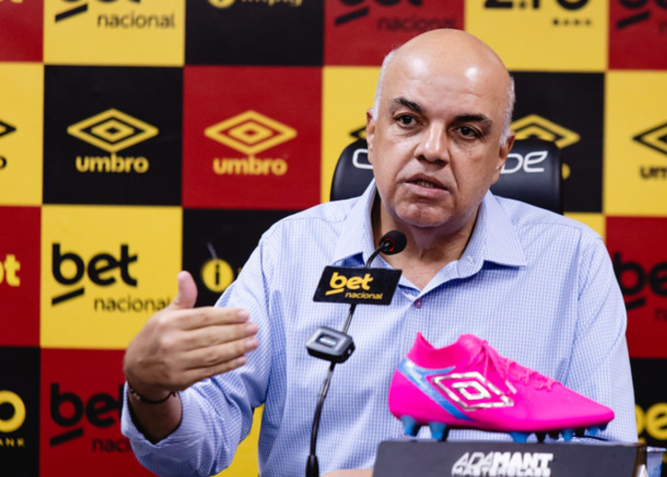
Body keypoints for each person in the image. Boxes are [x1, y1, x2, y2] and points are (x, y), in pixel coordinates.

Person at [121, 29, 637, 477]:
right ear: (372, 132)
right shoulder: (292, 251)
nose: (432, 149)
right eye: (408, 120)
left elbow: (608, 461)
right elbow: (193, 452)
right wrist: (150, 393)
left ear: (501, 154)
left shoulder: (573, 262)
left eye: (466, 131)